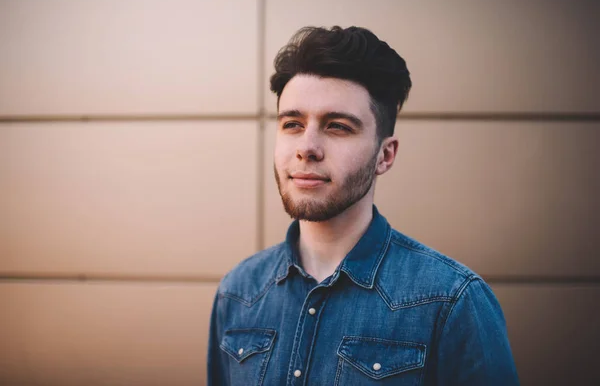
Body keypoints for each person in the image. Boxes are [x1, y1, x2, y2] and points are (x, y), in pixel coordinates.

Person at [207, 25, 519, 385]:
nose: (306, 147)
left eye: (338, 127)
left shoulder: (452, 302)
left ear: (385, 155)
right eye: (292, 123)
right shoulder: (238, 292)